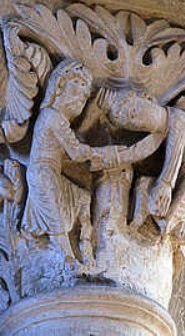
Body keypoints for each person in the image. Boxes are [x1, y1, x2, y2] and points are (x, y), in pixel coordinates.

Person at [21, 60, 128, 261]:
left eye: (85, 95)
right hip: (43, 175)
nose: (82, 98)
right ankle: (67, 261)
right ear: (60, 85)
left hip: (48, 173)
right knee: (57, 227)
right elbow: (76, 153)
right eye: (77, 90)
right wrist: (107, 153)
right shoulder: (53, 117)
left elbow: (73, 146)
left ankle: (85, 242)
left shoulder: (54, 118)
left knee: (83, 197)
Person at [97, 88, 185, 236]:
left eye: (133, 113)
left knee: (170, 221)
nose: (137, 123)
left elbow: (176, 152)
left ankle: (176, 227)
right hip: (177, 179)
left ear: (147, 97)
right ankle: (140, 223)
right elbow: (136, 151)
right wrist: (101, 158)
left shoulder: (177, 118)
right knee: (144, 187)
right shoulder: (158, 133)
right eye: (131, 124)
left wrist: (166, 183)